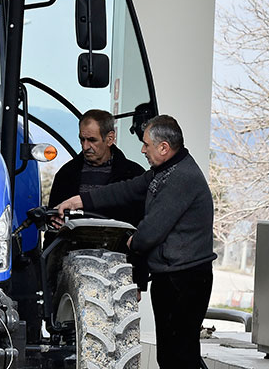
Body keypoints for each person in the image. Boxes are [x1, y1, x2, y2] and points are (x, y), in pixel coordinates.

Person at [56, 115, 216, 369]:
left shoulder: (181, 179)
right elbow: (126, 189)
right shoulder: (162, 172)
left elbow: (151, 232)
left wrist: (129, 242)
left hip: (185, 280)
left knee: (180, 356)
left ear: (164, 147)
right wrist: (81, 201)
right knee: (172, 354)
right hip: (171, 276)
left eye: (146, 145)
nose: (142, 150)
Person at [46, 110, 148, 297]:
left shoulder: (134, 175)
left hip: (119, 271)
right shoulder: (66, 175)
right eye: (82, 140)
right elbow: (53, 229)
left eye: (92, 140)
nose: (86, 146)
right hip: (70, 270)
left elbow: (142, 230)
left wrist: (138, 280)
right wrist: (48, 280)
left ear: (110, 139)